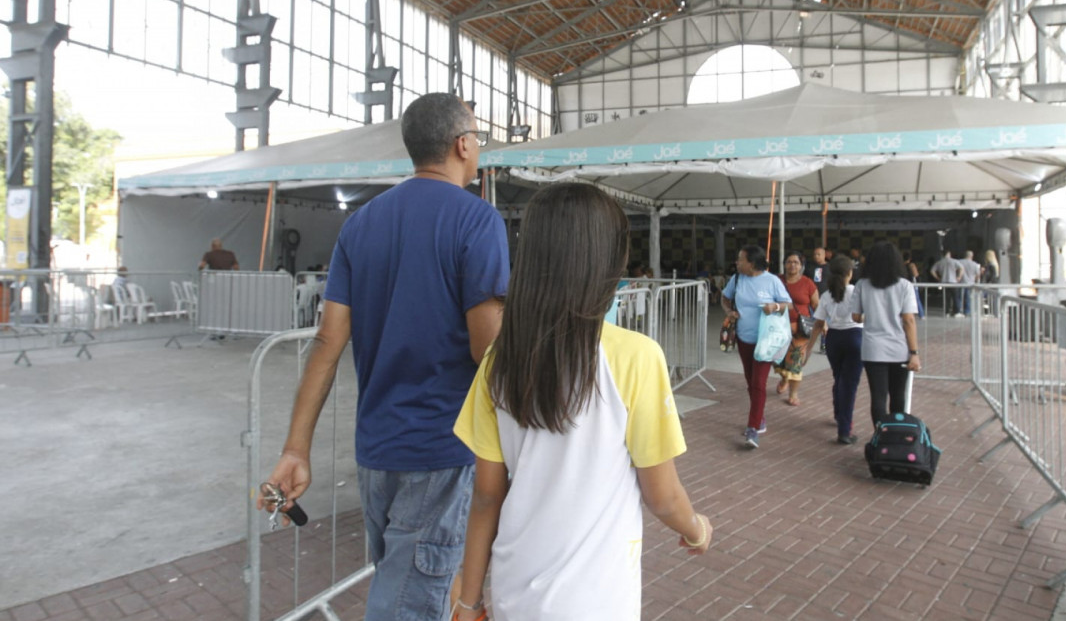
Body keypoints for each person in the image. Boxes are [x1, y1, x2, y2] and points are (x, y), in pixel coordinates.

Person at [257, 93, 508, 621]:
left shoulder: (362, 224)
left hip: (376, 446)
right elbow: (489, 348)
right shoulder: (477, 221)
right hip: (443, 446)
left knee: (409, 583)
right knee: (414, 603)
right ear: (463, 144)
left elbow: (328, 342)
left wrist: (295, 448)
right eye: (478, 140)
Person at [452, 183, 711, 621]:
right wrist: (697, 529)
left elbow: (485, 497)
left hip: (517, 590)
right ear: (607, 265)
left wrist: (469, 599)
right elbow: (662, 496)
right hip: (598, 599)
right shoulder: (637, 357)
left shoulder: (500, 358)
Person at [721, 244, 792, 449]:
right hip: (744, 338)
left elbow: (787, 304)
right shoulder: (737, 279)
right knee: (750, 382)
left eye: (740, 259)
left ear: (752, 263)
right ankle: (759, 417)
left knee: (759, 383)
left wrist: (775, 307)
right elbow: (726, 298)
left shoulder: (772, 281)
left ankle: (753, 427)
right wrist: (729, 311)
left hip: (766, 341)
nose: (737, 262)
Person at [850, 242, 921, 429]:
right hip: (900, 348)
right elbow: (909, 321)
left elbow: (856, 316)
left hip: (873, 348)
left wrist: (873, 313)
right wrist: (914, 352)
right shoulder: (905, 286)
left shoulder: (862, 285)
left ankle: (880, 436)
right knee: (898, 395)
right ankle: (897, 437)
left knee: (878, 397)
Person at [802, 255, 863, 444]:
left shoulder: (827, 295)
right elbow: (864, 317)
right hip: (855, 338)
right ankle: (844, 430)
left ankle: (839, 414)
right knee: (849, 385)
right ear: (850, 273)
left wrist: (809, 348)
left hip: (833, 340)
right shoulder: (857, 291)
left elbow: (819, 323)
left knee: (839, 379)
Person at [776, 251, 819, 406]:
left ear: (801, 266)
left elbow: (817, 306)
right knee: (778, 361)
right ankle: (784, 378)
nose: (792, 265)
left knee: (795, 362)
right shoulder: (777, 280)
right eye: (789, 261)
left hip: (801, 330)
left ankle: (793, 394)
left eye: (796, 262)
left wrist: (823, 324)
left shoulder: (808, 283)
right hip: (778, 328)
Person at [930, 249, 964, 317]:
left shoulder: (939, 262)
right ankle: (956, 312)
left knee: (946, 298)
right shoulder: (954, 261)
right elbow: (961, 268)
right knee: (955, 297)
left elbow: (932, 270)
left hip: (944, 282)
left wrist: (938, 278)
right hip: (953, 282)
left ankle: (947, 312)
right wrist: (959, 277)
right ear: (949, 253)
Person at [957, 250, 982, 316]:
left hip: (961, 283)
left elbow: (956, 271)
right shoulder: (975, 264)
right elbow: (978, 275)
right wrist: (975, 280)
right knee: (968, 298)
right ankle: (967, 311)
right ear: (972, 256)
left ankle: (959, 310)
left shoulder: (959, 262)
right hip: (970, 283)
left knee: (959, 297)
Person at [902, 252, 925, 319]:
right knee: (916, 299)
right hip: (912, 284)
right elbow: (916, 274)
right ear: (910, 258)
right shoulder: (911, 265)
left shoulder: (901, 265)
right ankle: (921, 315)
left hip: (904, 284)